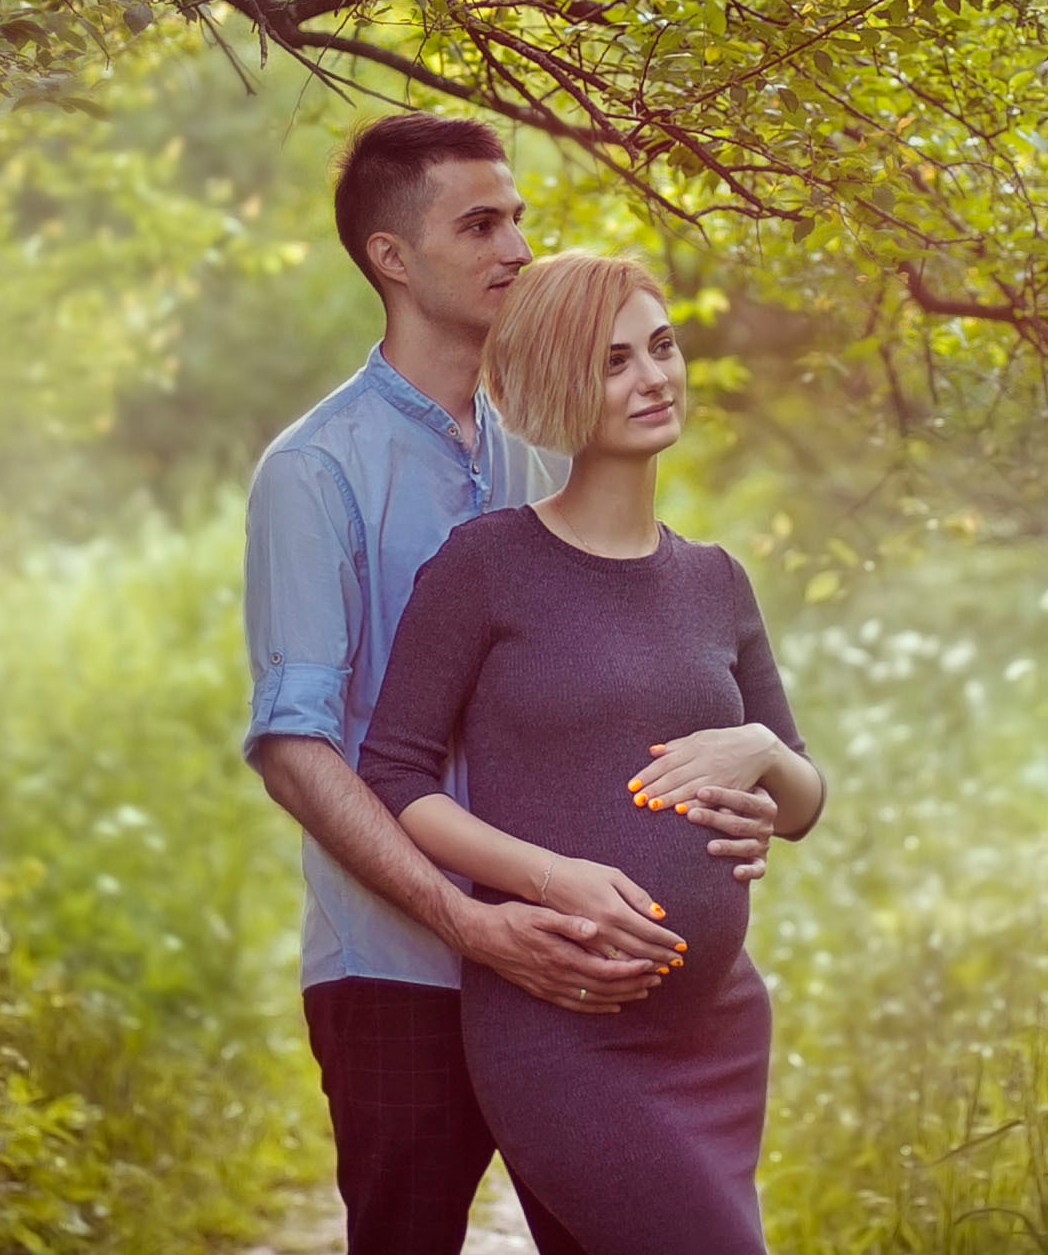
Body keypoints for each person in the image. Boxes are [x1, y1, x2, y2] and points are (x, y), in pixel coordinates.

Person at [241, 116, 784, 1255]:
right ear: (393, 257)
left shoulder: (546, 449)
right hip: (396, 965)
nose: (517, 248)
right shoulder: (314, 471)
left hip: (583, 984)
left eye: (520, 218)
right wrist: (470, 920)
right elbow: (299, 748)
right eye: (480, 224)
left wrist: (745, 779)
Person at [358, 254, 826, 1255]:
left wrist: (754, 748)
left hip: (715, 1033)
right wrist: (547, 877)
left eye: (661, 348)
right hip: (560, 1029)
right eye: (613, 361)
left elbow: (802, 793)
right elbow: (392, 777)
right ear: (561, 384)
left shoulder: (715, 579)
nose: (653, 378)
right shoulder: (485, 566)